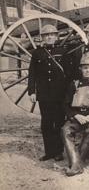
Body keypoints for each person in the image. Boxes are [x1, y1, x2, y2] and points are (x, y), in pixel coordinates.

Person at [28, 24, 72, 161]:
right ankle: (49, 152)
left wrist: (67, 94)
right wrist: (32, 92)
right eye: (46, 35)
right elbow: (32, 74)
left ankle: (58, 152)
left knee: (59, 122)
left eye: (52, 35)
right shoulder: (37, 53)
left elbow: (69, 74)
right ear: (42, 37)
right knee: (46, 123)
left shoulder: (62, 51)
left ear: (56, 37)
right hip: (44, 95)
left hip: (59, 94)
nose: (49, 37)